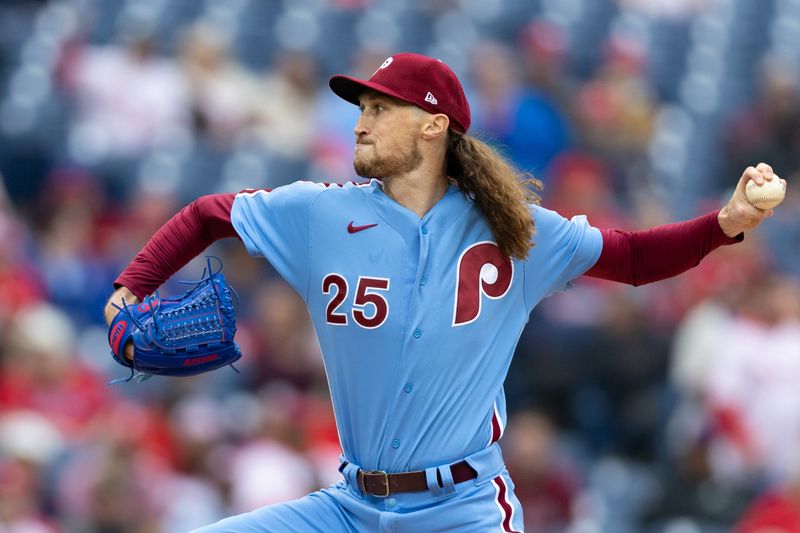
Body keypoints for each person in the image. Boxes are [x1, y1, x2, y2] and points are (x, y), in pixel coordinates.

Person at [104, 53, 779, 532]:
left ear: (432, 124)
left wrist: (727, 224)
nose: (360, 122)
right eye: (360, 108)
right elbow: (208, 215)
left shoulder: (513, 228)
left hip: (463, 510)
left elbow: (631, 257)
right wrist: (131, 287)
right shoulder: (317, 212)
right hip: (349, 507)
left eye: (377, 107)